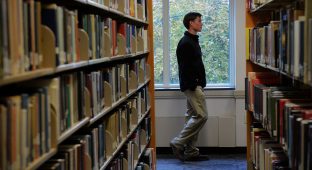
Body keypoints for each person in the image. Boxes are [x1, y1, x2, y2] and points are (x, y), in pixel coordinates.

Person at [170, 12, 209, 162]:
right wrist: (194, 85)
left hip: (194, 84)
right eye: (199, 21)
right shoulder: (186, 42)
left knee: (192, 117)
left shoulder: (192, 41)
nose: (201, 23)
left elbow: (196, 65)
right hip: (192, 86)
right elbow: (185, 68)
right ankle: (177, 142)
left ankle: (191, 151)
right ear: (191, 23)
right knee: (202, 116)